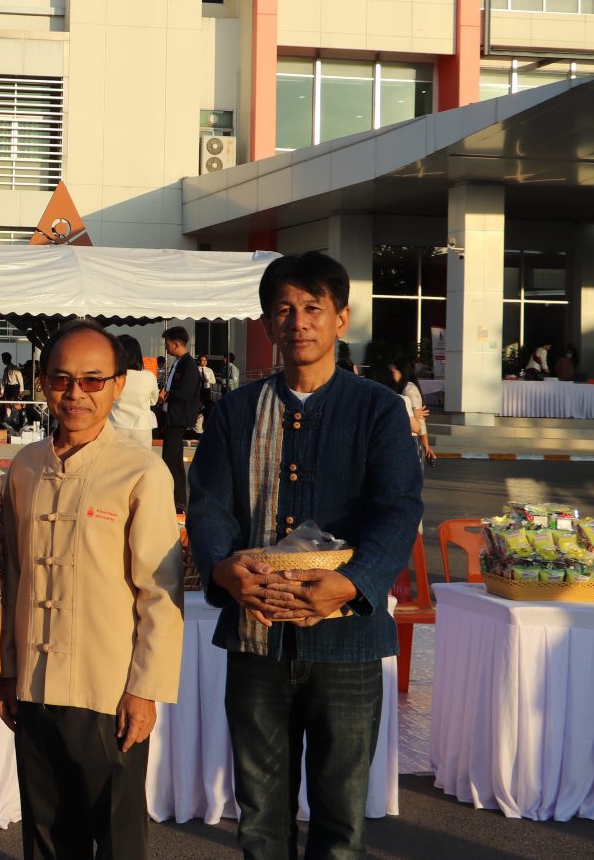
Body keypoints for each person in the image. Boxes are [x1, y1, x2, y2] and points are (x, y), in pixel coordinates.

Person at [186, 252, 423, 860]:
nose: (299, 322)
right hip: (256, 634)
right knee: (261, 819)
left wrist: (354, 582)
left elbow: (398, 509)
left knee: (340, 820)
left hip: (347, 640)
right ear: (268, 322)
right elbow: (209, 505)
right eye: (284, 309)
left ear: (340, 318)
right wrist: (221, 567)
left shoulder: (378, 410)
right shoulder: (236, 411)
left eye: (313, 308)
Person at [0, 320, 184, 860]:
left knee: (118, 836)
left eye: (93, 380)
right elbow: (12, 576)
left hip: (108, 690)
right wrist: (9, 670)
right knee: (47, 836)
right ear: (42, 383)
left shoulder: (141, 470)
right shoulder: (26, 466)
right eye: (61, 379)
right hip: (34, 684)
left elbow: (160, 590)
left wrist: (145, 690)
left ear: (118, 384)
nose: (75, 393)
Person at [157, 326, 201, 510]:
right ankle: (179, 501)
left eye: (168, 344)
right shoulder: (179, 363)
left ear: (176, 344)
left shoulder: (188, 364)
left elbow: (185, 392)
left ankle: (170, 499)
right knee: (174, 460)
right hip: (173, 415)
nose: (166, 348)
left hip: (179, 417)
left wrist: (166, 396)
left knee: (168, 459)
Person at [109, 334, 159, 449]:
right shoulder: (149, 376)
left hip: (117, 424)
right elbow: (153, 401)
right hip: (142, 427)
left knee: (116, 459)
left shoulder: (113, 376)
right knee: (142, 459)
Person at [391, 358, 436, 468]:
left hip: (412, 439)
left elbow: (420, 418)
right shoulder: (403, 389)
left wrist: (426, 445)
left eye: (393, 372)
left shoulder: (409, 389)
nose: (390, 375)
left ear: (402, 372)